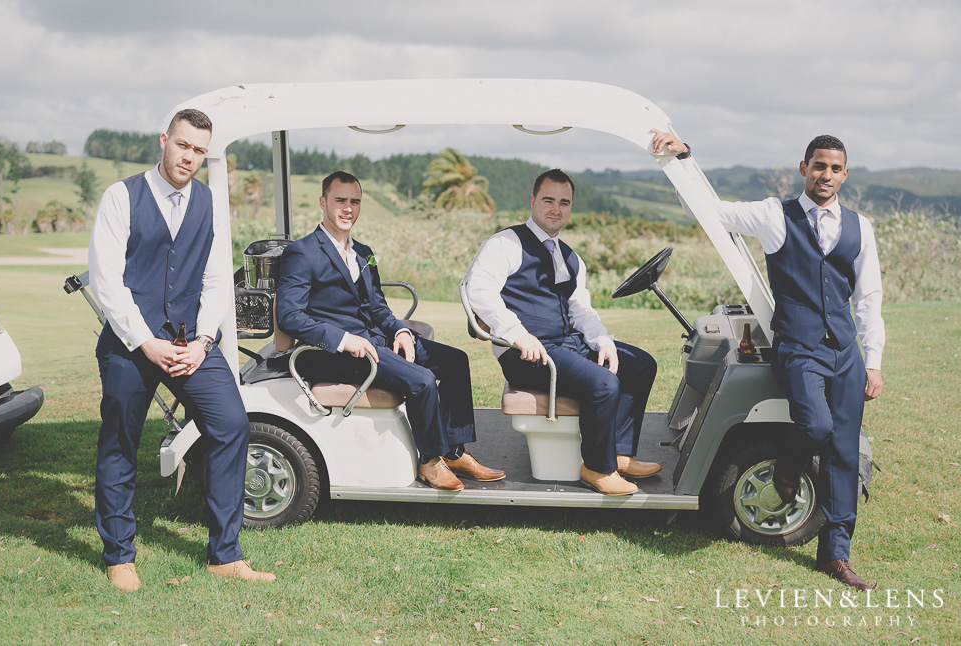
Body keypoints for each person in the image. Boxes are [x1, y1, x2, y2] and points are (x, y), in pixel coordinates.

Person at [651, 129, 884, 591]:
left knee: (843, 448)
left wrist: (872, 360)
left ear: (845, 174)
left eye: (836, 168)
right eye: (819, 165)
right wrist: (681, 160)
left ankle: (836, 555)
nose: (826, 174)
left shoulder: (860, 227)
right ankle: (787, 467)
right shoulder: (774, 215)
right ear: (804, 169)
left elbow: (869, 298)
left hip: (845, 354)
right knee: (816, 428)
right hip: (798, 349)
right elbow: (709, 212)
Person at [88, 109, 275, 591]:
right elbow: (107, 281)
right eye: (183, 145)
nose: (190, 157)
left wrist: (203, 341)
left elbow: (215, 280)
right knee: (120, 441)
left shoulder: (210, 202)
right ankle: (119, 554)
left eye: (199, 150)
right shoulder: (121, 197)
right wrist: (145, 341)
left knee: (232, 425)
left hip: (193, 340)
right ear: (164, 141)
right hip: (132, 342)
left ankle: (225, 555)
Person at [274, 171, 505, 491]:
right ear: (323, 202)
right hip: (334, 353)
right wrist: (343, 339)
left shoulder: (363, 251)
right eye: (340, 200)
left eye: (355, 202)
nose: (348, 208)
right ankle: (430, 460)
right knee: (421, 380)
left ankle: (454, 451)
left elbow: (378, 307)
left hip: (375, 340)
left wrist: (399, 331)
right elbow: (289, 316)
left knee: (455, 361)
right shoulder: (302, 252)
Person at [465, 169, 661, 496]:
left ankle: (620, 452)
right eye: (548, 200)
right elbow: (480, 294)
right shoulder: (506, 243)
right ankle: (597, 469)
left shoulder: (571, 257)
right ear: (532, 201)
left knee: (640, 365)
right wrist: (517, 334)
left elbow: (580, 309)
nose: (556, 208)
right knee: (604, 383)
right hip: (526, 353)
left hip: (567, 345)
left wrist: (603, 341)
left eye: (564, 202)